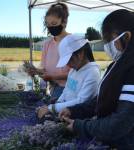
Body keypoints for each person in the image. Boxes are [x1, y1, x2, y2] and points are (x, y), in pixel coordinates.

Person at [59, 9, 134, 150]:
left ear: (127, 37)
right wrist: (73, 111)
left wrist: (80, 126)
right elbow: (101, 100)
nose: (107, 46)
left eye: (109, 40)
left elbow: (120, 124)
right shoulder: (117, 63)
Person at [37, 34, 100, 118]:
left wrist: (52, 108)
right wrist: (57, 104)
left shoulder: (92, 73)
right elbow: (66, 91)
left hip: (78, 118)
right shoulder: (73, 70)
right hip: (65, 114)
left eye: (69, 60)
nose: (68, 65)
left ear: (80, 55)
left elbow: (81, 101)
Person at [26, 3, 70, 99]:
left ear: (64, 22)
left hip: (69, 90)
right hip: (53, 89)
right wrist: (36, 71)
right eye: (48, 25)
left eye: (54, 24)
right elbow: (45, 69)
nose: (51, 28)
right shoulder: (47, 44)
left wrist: (52, 77)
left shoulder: (73, 42)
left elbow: (77, 74)